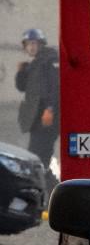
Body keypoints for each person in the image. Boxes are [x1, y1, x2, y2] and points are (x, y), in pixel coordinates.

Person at [15, 28, 58, 172]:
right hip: (36, 117)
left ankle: (42, 185)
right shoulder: (34, 64)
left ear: (41, 44)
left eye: (34, 43)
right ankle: (43, 182)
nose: (31, 46)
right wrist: (21, 72)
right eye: (28, 44)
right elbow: (22, 87)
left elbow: (55, 87)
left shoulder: (49, 60)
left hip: (46, 117)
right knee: (36, 154)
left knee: (38, 154)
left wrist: (50, 109)